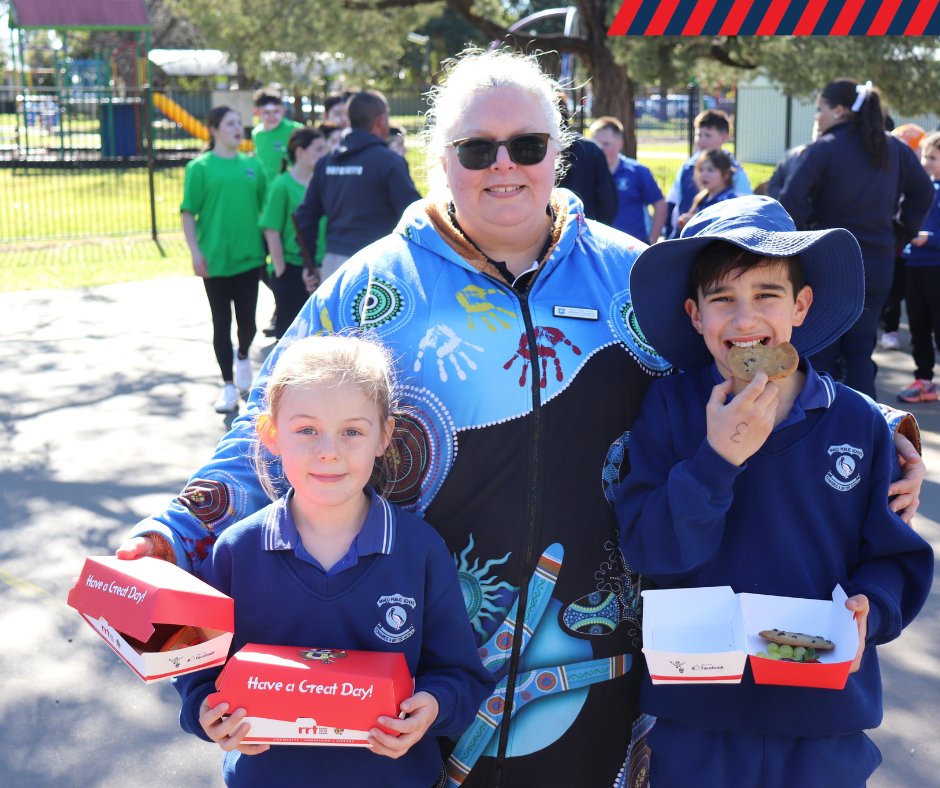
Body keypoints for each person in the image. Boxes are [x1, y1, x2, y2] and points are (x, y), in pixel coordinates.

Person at [118, 51, 925, 787]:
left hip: (597, 670)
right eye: (477, 149)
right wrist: (176, 530)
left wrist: (883, 428)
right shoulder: (373, 289)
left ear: (556, 154)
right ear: (440, 160)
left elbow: (751, 359)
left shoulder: (626, 277)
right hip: (417, 670)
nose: (504, 166)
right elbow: (270, 422)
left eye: (528, 145)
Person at [617, 195, 934, 787]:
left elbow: (893, 558)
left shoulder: (858, 425)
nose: (744, 321)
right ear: (694, 315)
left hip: (822, 716)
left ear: (801, 306)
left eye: (766, 296)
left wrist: (874, 606)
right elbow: (652, 550)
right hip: (698, 710)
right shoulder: (669, 409)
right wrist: (717, 460)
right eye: (722, 300)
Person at [174, 335, 493, 787]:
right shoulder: (236, 550)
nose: (329, 451)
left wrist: (433, 706)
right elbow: (198, 670)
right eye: (306, 430)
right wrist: (205, 710)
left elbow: (461, 676)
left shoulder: (418, 550)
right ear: (270, 434)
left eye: (352, 431)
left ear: (384, 435)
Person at [778, 78, 933, 399]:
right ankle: (866, 430)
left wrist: (805, 239)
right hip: (877, 263)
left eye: (819, 110)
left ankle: (821, 429)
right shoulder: (893, 148)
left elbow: (790, 201)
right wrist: (899, 234)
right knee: (861, 352)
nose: (817, 117)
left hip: (829, 262)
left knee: (821, 352)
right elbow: (923, 192)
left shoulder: (824, 149)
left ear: (839, 110)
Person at [181, 106, 267, 413]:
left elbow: (266, 210)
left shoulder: (253, 167)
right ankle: (229, 386)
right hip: (215, 260)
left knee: (248, 324)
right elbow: (188, 213)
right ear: (214, 128)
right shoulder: (200, 167)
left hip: (249, 257)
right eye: (230, 123)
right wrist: (196, 252)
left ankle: (243, 354)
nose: (237, 128)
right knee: (222, 323)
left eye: (238, 123)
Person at [293, 89, 421, 286]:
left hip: (334, 266)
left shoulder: (326, 163)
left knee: (336, 318)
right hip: (378, 265)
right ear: (381, 120)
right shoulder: (389, 161)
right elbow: (414, 215)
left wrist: (309, 265)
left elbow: (305, 217)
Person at [258, 127, 330, 339]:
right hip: (291, 268)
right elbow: (271, 230)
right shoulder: (282, 185)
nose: (323, 154)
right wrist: (281, 271)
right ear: (300, 152)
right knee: (290, 337)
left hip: (320, 266)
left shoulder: (322, 183)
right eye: (318, 149)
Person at [897, 131, 940, 403]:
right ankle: (924, 381)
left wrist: (931, 239)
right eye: (924, 155)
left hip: (937, 266)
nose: (926, 162)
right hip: (915, 265)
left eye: (933, 158)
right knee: (918, 325)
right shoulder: (922, 190)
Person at [664, 109, 752, 239]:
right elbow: (672, 203)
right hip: (683, 240)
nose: (701, 140)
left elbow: (744, 213)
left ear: (724, 137)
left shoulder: (736, 172)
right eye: (699, 135)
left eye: (708, 135)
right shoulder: (687, 167)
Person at [881, 123, 928, 352]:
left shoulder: (919, 181)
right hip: (896, 249)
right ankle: (890, 329)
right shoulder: (891, 175)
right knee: (892, 294)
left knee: (911, 297)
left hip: (915, 252)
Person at [589, 115, 665, 244]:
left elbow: (660, 204)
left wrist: (652, 239)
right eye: (596, 145)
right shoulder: (588, 174)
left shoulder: (637, 171)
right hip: (600, 248)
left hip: (634, 248)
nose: (601, 149)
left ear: (620, 144)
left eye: (606, 144)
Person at [556, 94, 618, 223]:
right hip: (585, 231)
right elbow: (608, 204)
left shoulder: (591, 150)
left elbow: (608, 203)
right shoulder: (592, 150)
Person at [675, 149, 738, 234]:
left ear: (726, 174)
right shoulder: (701, 198)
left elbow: (722, 228)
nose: (704, 174)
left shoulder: (729, 201)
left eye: (710, 170)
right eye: (701, 170)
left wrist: (695, 223)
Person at [250, 86, 304, 183]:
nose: (272, 117)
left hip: (290, 187)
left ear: (283, 110)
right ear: (257, 112)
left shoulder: (296, 129)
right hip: (266, 188)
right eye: (266, 112)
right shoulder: (256, 134)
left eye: (276, 112)